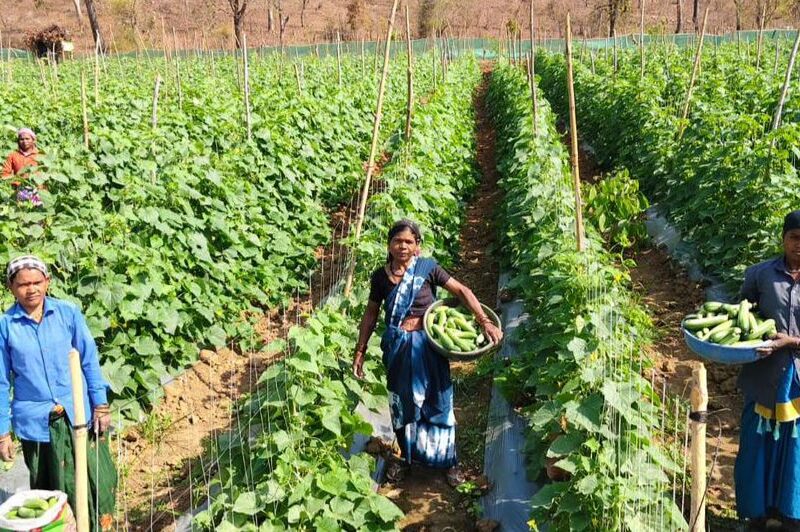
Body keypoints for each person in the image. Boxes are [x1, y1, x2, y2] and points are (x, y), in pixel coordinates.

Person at [352, 219, 503, 486]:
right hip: (398, 348)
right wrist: (360, 350)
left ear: (417, 246)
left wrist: (484, 320)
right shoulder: (380, 277)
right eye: (397, 241)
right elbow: (371, 314)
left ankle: (448, 462)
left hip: (428, 346)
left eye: (409, 241)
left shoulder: (427, 268)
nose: (403, 246)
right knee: (403, 402)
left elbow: (462, 290)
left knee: (437, 399)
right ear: (389, 245)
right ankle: (408, 458)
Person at [0, 255, 116, 531]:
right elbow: (2, 382)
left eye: (37, 282)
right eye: (23, 284)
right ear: (11, 288)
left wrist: (100, 405)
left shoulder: (67, 313)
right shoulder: (5, 326)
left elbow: (88, 359)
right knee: (48, 490)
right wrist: (3, 433)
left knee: (96, 481)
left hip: (79, 415)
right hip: (37, 424)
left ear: (47, 282)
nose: (31, 289)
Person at [735, 210, 800, 532]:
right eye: (794, 237)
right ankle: (756, 514)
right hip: (763, 373)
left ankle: (792, 515)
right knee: (756, 443)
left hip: (798, 378)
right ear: (783, 238)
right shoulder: (760, 275)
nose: (799, 245)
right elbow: (742, 315)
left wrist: (791, 341)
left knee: (796, 448)